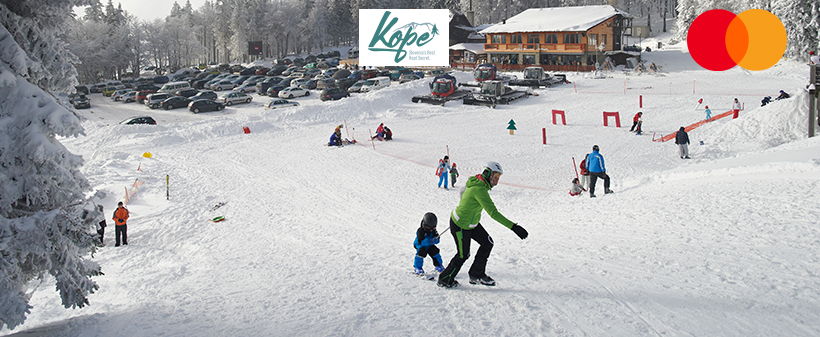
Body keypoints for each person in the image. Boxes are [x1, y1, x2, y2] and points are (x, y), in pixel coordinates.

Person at [437, 162, 528, 288]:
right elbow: (493, 213)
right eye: (495, 177)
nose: (496, 181)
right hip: (460, 225)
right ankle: (445, 279)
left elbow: (463, 190)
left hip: (471, 224)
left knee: (487, 243)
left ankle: (476, 274)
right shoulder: (479, 189)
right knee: (463, 255)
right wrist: (514, 227)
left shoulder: (477, 182)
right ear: (487, 174)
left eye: (498, 178)